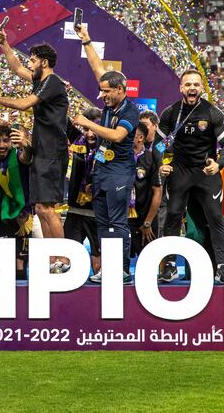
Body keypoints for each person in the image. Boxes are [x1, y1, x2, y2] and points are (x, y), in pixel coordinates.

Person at [0, 29, 69, 273]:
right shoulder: (42, 81)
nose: (29, 64)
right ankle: (52, 260)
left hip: (52, 151)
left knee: (47, 209)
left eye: (33, 61)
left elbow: (25, 104)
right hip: (41, 150)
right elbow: (16, 68)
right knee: (39, 208)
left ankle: (65, 261)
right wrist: (5, 43)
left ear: (44, 62)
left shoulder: (53, 82)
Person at [71, 24, 140, 283]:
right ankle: (106, 268)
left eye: (108, 91)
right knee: (102, 223)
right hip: (101, 171)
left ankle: (121, 269)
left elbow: (117, 136)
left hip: (120, 173)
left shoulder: (130, 111)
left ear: (121, 90)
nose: (103, 95)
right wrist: (87, 40)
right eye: (102, 91)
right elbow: (98, 69)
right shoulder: (110, 99)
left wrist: (87, 123)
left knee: (118, 222)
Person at [157, 69, 224, 284]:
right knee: (172, 215)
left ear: (201, 88)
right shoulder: (170, 113)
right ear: (181, 87)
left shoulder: (213, 113)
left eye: (196, 85)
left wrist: (217, 164)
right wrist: (163, 164)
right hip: (180, 172)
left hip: (205, 172)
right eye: (188, 84)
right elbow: (157, 144)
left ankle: (222, 266)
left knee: (215, 218)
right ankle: (169, 265)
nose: (192, 88)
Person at [0, 122, 33, 280]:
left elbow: (27, 157)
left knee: (19, 270)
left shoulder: (18, 155)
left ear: (12, 142)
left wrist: (27, 146)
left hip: (24, 216)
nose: (2, 145)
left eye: (6, 140)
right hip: (2, 213)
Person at [64, 109, 101, 275]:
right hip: (75, 211)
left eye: (94, 128)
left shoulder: (111, 147)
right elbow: (59, 116)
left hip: (97, 213)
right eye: (86, 129)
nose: (90, 134)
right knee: (67, 259)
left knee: (98, 264)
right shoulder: (77, 140)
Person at [127, 123, 162, 263]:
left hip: (144, 221)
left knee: (148, 265)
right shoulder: (120, 156)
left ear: (140, 138)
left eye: (130, 135)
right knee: (119, 267)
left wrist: (147, 223)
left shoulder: (151, 158)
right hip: (122, 221)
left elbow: (158, 192)